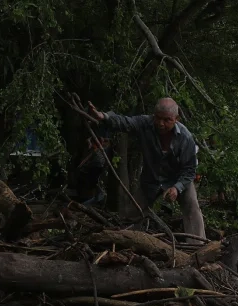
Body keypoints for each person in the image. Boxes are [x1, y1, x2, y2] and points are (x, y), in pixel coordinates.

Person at [87, 97, 206, 243]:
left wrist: (176, 188)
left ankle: (198, 248)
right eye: (158, 118)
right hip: (152, 180)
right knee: (132, 214)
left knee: (192, 208)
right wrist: (104, 117)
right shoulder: (145, 123)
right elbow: (126, 122)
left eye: (167, 120)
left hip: (178, 179)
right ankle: (126, 242)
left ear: (176, 119)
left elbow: (189, 170)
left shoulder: (186, 138)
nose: (161, 124)